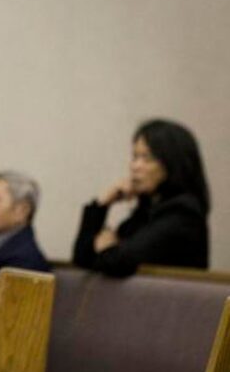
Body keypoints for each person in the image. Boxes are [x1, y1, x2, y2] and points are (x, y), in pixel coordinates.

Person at [73, 118, 210, 277]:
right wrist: (103, 203)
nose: (135, 166)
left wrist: (107, 248)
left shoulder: (183, 215)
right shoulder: (144, 214)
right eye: (135, 157)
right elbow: (82, 258)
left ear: (172, 163)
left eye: (147, 158)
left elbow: (117, 262)